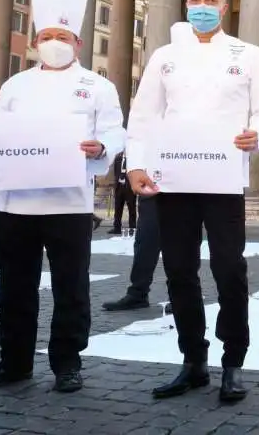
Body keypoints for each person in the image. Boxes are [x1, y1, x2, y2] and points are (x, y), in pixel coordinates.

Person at [125, 0, 259, 402]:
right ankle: (193, 359)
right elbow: (145, 114)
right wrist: (135, 166)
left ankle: (233, 360)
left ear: (225, 6)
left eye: (211, 0)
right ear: (185, 3)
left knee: (230, 269)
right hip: (173, 181)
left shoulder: (248, 54)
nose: (203, 7)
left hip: (222, 181)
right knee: (178, 271)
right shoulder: (164, 57)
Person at [0, 0, 126, 394]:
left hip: (69, 204)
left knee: (71, 287)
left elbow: (114, 132)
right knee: (14, 286)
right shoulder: (15, 85)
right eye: (47, 37)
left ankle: (67, 362)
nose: (54, 44)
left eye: (63, 37)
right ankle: (13, 362)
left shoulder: (98, 86)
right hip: (15, 205)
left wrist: (100, 148)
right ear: (35, 42)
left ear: (78, 43)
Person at [102, 23, 196, 314]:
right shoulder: (154, 97)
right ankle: (138, 290)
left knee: (184, 243)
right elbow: (139, 129)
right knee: (146, 238)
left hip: (192, 177)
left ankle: (182, 295)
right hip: (157, 177)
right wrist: (136, 168)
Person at [109, 151, 137, 234]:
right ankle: (116, 228)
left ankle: (132, 228)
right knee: (117, 208)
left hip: (129, 187)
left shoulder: (133, 158)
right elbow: (115, 172)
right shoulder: (118, 158)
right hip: (119, 186)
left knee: (131, 208)